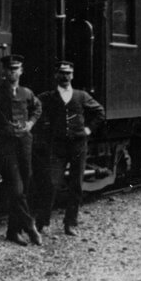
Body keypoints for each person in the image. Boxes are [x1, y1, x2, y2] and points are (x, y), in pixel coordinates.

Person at [0, 54, 43, 247]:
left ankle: (13, 231)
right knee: (17, 188)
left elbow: (37, 108)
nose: (13, 72)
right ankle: (30, 226)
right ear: (4, 72)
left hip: (25, 144)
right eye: (9, 69)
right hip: (6, 146)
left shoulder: (27, 93)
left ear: (21, 71)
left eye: (16, 69)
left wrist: (30, 124)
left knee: (25, 184)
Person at [35, 61, 105, 237]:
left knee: (76, 185)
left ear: (72, 75)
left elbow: (99, 112)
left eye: (68, 73)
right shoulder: (48, 97)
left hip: (78, 146)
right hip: (57, 146)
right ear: (56, 75)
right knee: (51, 183)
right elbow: (34, 108)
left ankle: (70, 223)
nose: (64, 76)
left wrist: (88, 130)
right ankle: (43, 223)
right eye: (61, 73)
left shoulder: (81, 96)